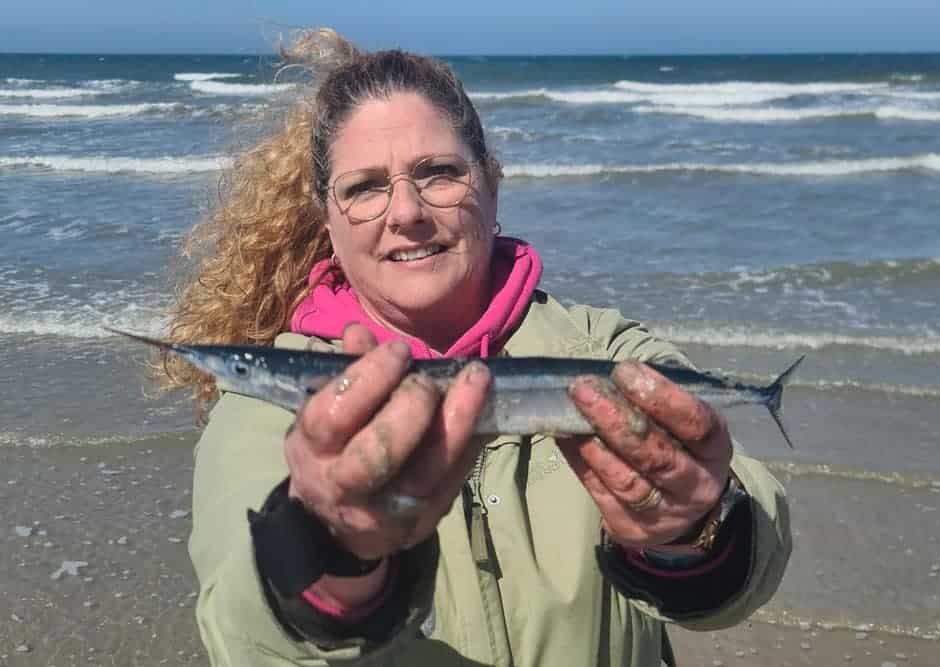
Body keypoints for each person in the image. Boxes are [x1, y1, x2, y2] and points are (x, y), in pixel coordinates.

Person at [159, 29, 791, 667]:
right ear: (327, 221)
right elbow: (244, 636)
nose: (405, 212)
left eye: (438, 173)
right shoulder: (264, 403)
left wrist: (694, 531)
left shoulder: (602, 346)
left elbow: (751, 548)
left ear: (491, 185)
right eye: (365, 188)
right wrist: (331, 560)